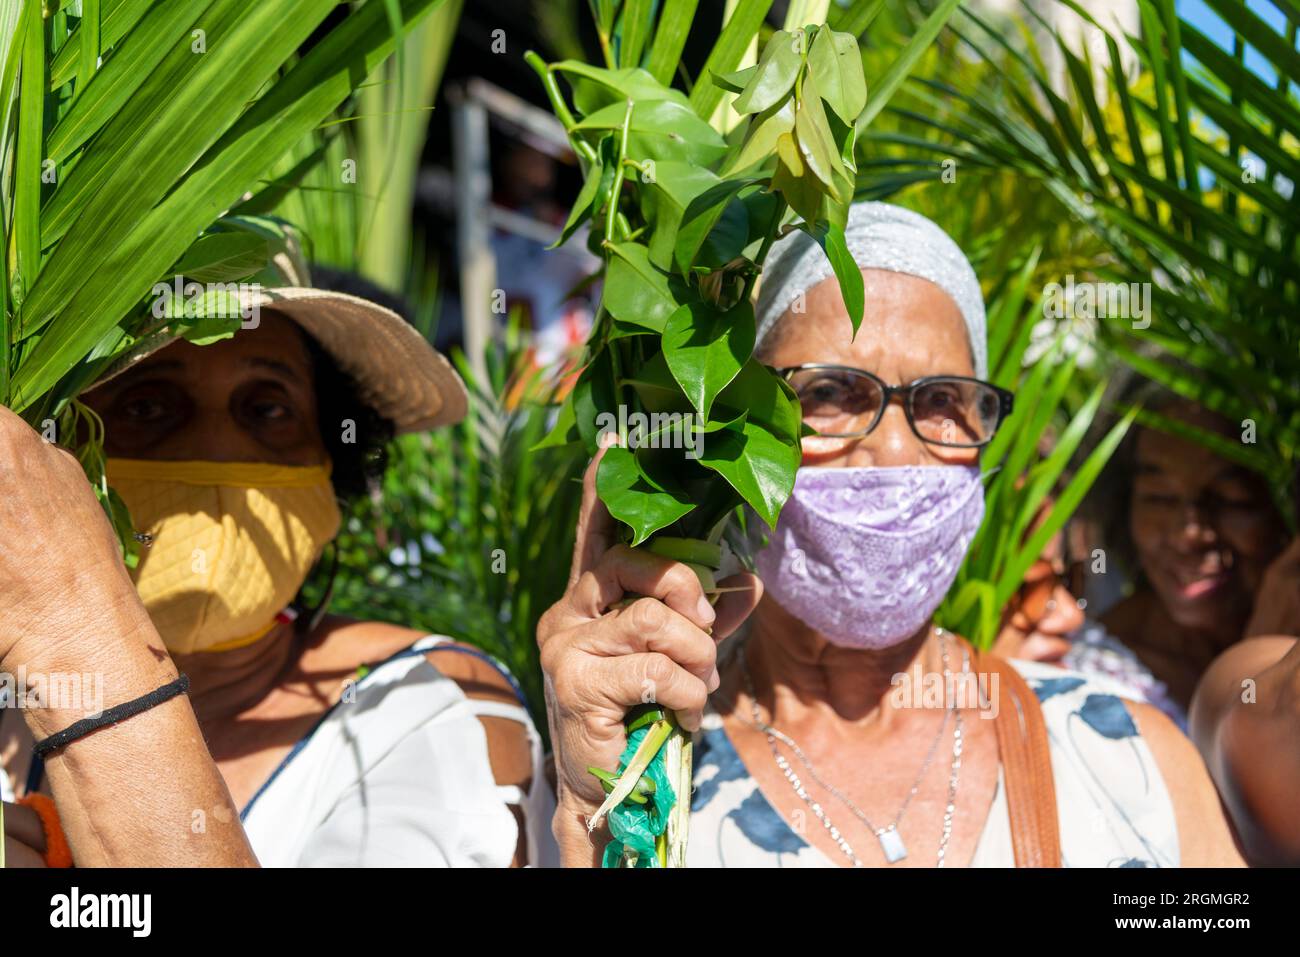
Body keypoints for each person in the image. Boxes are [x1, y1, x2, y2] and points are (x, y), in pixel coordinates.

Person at [538, 202, 1244, 867]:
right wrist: (588, 813)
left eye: (942, 401)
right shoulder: (644, 775)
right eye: (831, 392)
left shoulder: (1128, 760)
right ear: (737, 429)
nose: (897, 451)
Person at [1, 279, 556, 867]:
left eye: (267, 409)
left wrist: (74, 632)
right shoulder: (16, 698)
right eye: (148, 406)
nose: (218, 449)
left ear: (328, 465)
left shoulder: (427, 707)